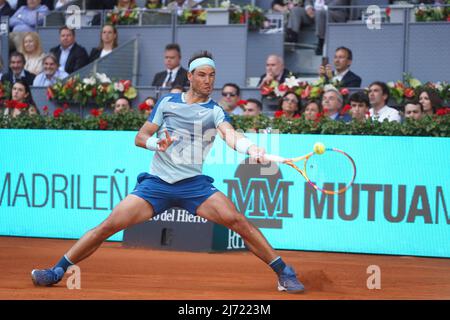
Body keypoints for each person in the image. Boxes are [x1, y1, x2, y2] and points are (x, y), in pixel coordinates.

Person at [30, 50, 305, 294]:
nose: (209, 81)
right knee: (108, 226)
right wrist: (155, 143)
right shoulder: (167, 103)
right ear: (190, 76)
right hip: (157, 184)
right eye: (202, 75)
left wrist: (251, 149)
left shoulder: (215, 112)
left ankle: (284, 273)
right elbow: (140, 137)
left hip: (193, 185)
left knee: (238, 221)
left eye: (212, 75)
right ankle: (56, 271)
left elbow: (231, 137)